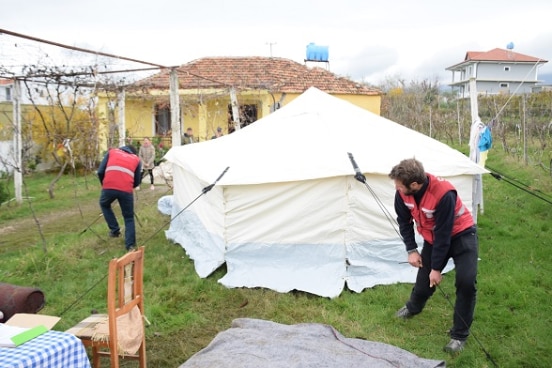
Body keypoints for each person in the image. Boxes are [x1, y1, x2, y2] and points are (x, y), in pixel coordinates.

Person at [388, 158, 478, 354]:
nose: (397, 188)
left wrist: (436, 269)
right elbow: (404, 222)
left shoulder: (444, 193)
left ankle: (459, 336)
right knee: (423, 281)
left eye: (399, 185)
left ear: (414, 184)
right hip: (433, 238)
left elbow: (444, 234)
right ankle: (413, 308)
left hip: (461, 235)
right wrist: (411, 250)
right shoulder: (402, 193)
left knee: (466, 281)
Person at [97, 145, 142, 252]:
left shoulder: (111, 152)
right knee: (128, 217)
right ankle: (130, 245)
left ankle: (115, 230)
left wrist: (104, 184)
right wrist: (131, 186)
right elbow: (137, 181)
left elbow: (100, 171)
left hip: (109, 186)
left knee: (104, 204)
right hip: (126, 189)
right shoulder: (136, 160)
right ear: (133, 153)